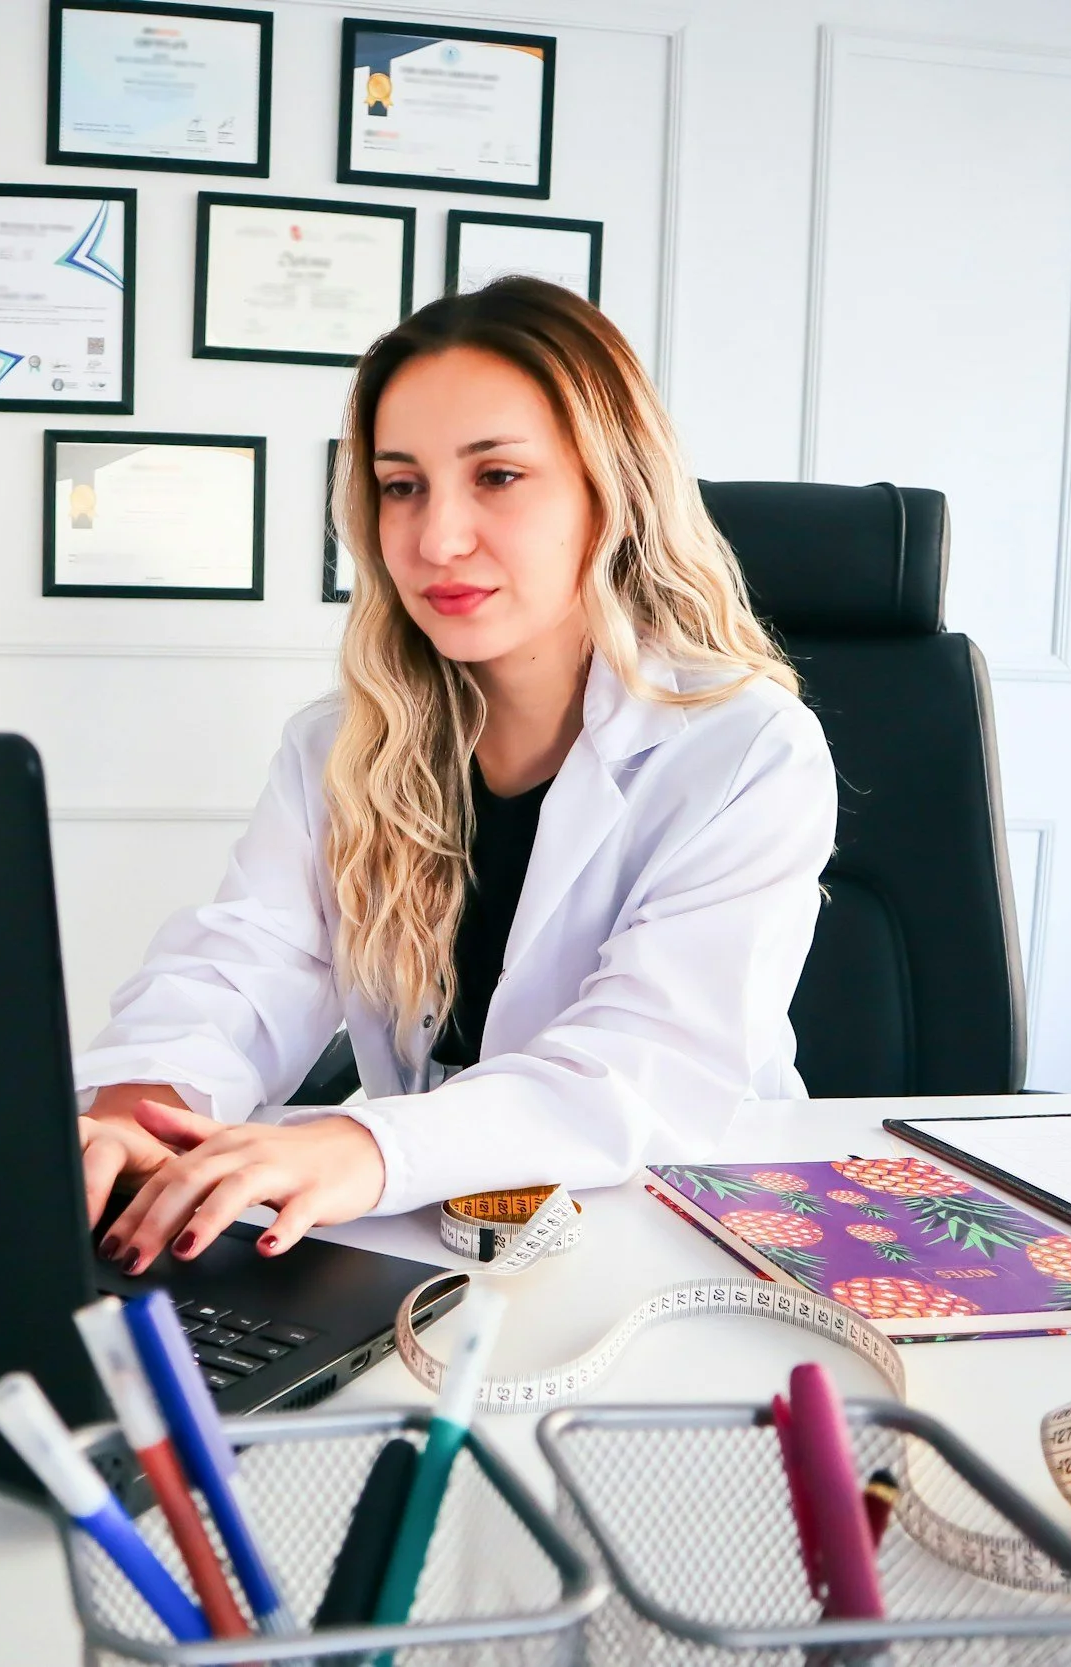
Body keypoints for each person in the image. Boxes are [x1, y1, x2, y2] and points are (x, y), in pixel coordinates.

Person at [76, 276, 837, 1277]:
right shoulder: (340, 746)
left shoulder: (745, 750)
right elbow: (244, 968)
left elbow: (640, 1066)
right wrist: (140, 1109)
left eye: (498, 476)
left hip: (681, 1234)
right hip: (437, 1242)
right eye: (402, 484)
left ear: (609, 490)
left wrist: (366, 1145)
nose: (436, 538)